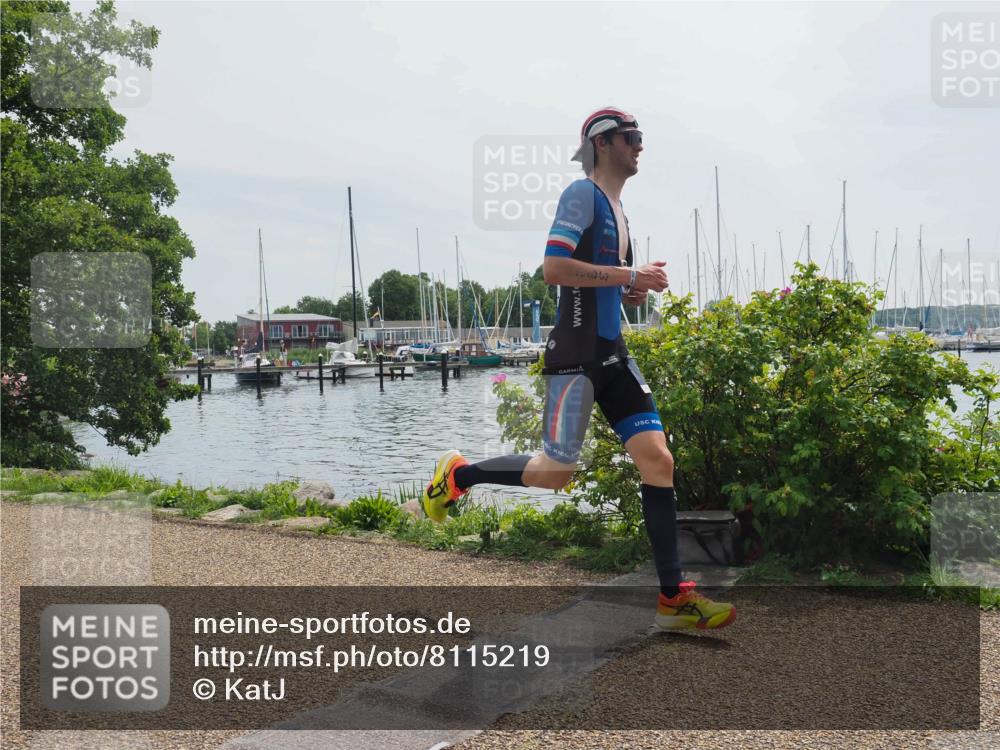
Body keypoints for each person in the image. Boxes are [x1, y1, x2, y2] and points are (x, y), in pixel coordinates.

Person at [422, 107, 735, 631]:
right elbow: (554, 268)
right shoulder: (580, 195)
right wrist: (628, 274)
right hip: (575, 359)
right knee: (556, 473)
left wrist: (633, 289)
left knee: (658, 460)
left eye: (640, 136)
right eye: (632, 136)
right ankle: (459, 475)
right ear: (602, 144)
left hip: (615, 355)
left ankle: (673, 600)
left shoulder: (621, 212)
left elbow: (606, 284)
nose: (640, 145)